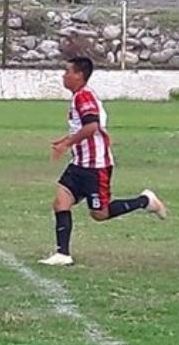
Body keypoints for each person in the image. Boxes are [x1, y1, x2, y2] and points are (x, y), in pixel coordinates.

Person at [38, 57, 167, 266]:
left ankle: (145, 201)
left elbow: (92, 127)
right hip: (79, 163)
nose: (64, 75)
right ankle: (63, 253)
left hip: (95, 166)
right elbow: (83, 127)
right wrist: (66, 140)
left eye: (67, 71)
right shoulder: (79, 96)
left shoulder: (84, 96)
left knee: (100, 214)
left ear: (79, 75)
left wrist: (67, 144)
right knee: (61, 202)